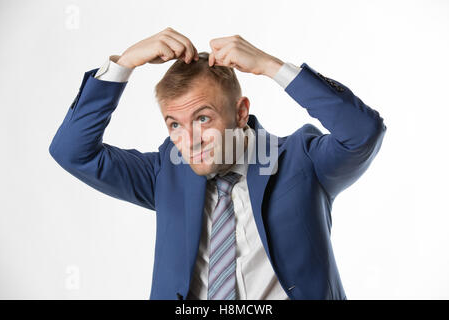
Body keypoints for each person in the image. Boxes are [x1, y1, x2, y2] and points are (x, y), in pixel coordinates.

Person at [49, 27, 387, 300]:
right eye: (175, 125)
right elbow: (72, 152)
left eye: (203, 118)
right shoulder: (164, 174)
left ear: (240, 112)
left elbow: (363, 132)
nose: (189, 140)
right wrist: (124, 64)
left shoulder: (302, 161)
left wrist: (271, 66)